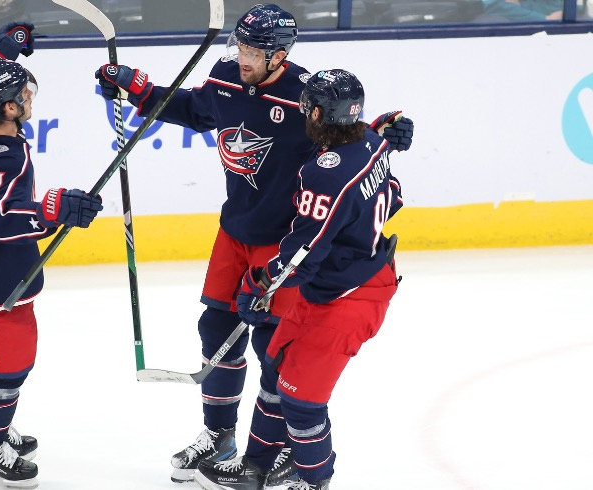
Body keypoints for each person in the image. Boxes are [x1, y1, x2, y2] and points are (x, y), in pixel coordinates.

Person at [93, 3, 413, 486]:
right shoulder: (225, 75)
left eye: (254, 50)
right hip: (235, 230)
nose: (242, 56)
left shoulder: (303, 95)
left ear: (280, 54)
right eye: (240, 45)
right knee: (215, 330)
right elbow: (196, 110)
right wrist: (138, 90)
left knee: (272, 348)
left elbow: (343, 146)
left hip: (283, 244)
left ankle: (276, 451)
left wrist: (383, 131)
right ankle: (218, 437)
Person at [199, 68, 403, 490]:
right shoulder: (373, 142)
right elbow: (394, 195)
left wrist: (257, 285)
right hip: (339, 282)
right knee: (274, 369)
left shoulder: (324, 172)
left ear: (314, 112)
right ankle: (254, 468)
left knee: (301, 400)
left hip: (352, 296)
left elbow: (299, 259)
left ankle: (312, 482)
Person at [0, 24, 103, 489]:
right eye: (24, 95)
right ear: (8, 108)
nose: (30, 100)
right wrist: (55, 208)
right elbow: (5, 219)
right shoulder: (6, 156)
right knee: (10, 364)